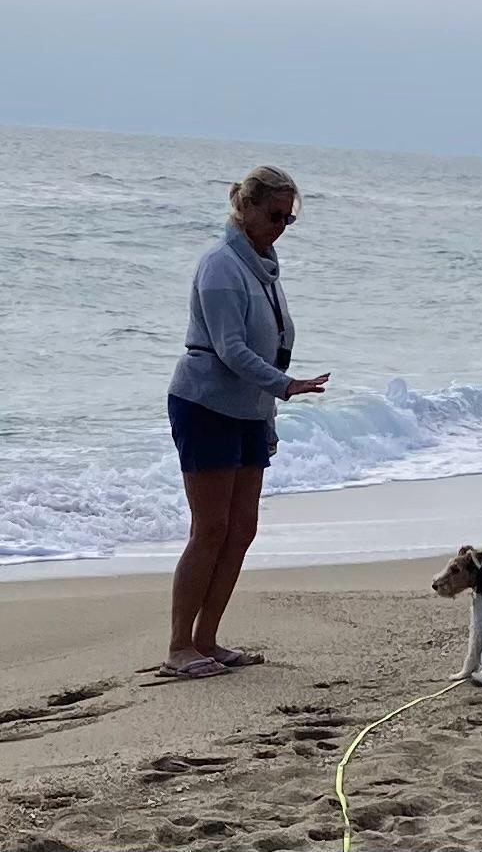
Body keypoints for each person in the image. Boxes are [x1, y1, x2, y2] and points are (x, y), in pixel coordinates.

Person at [162, 165, 330, 678]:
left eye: (289, 218)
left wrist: (270, 414)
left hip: (250, 410)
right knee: (210, 528)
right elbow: (230, 347)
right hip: (205, 403)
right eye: (274, 214)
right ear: (245, 208)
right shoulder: (219, 264)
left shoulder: (264, 268)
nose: (281, 225)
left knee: (242, 529)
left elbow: (268, 347)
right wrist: (286, 385)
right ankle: (178, 648)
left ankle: (207, 640)